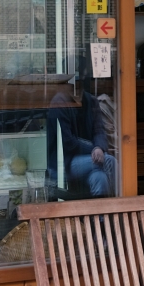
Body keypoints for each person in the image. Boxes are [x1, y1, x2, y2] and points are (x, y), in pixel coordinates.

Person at [47, 61, 115, 198]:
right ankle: (121, 210)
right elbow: (68, 143)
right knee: (110, 161)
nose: (77, 88)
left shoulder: (91, 101)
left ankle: (101, 219)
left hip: (89, 161)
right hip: (64, 164)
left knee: (100, 178)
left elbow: (99, 131)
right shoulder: (59, 102)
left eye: (80, 83)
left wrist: (99, 148)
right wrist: (95, 149)